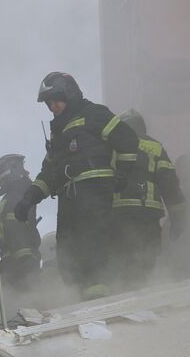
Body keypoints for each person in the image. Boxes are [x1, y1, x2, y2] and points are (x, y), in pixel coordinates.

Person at [14, 71, 144, 298]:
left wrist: (122, 175)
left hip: (94, 195)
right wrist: (28, 198)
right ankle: (81, 300)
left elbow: (127, 140)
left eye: (55, 100)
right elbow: (49, 173)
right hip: (69, 200)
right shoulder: (58, 135)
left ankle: (100, 301)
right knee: (67, 253)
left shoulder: (94, 114)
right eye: (48, 103)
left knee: (93, 248)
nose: (52, 107)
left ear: (69, 93)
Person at [112, 110, 186, 289]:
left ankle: (121, 297)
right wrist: (178, 220)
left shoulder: (112, 146)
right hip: (147, 217)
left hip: (118, 216)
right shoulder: (156, 147)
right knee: (146, 264)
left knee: (119, 264)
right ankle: (142, 297)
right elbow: (170, 185)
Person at [0, 153, 42, 290]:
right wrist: (31, 270)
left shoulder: (8, 200)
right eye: (22, 168)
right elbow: (19, 239)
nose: (27, 172)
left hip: (11, 268)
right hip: (24, 267)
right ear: (14, 172)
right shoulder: (18, 200)